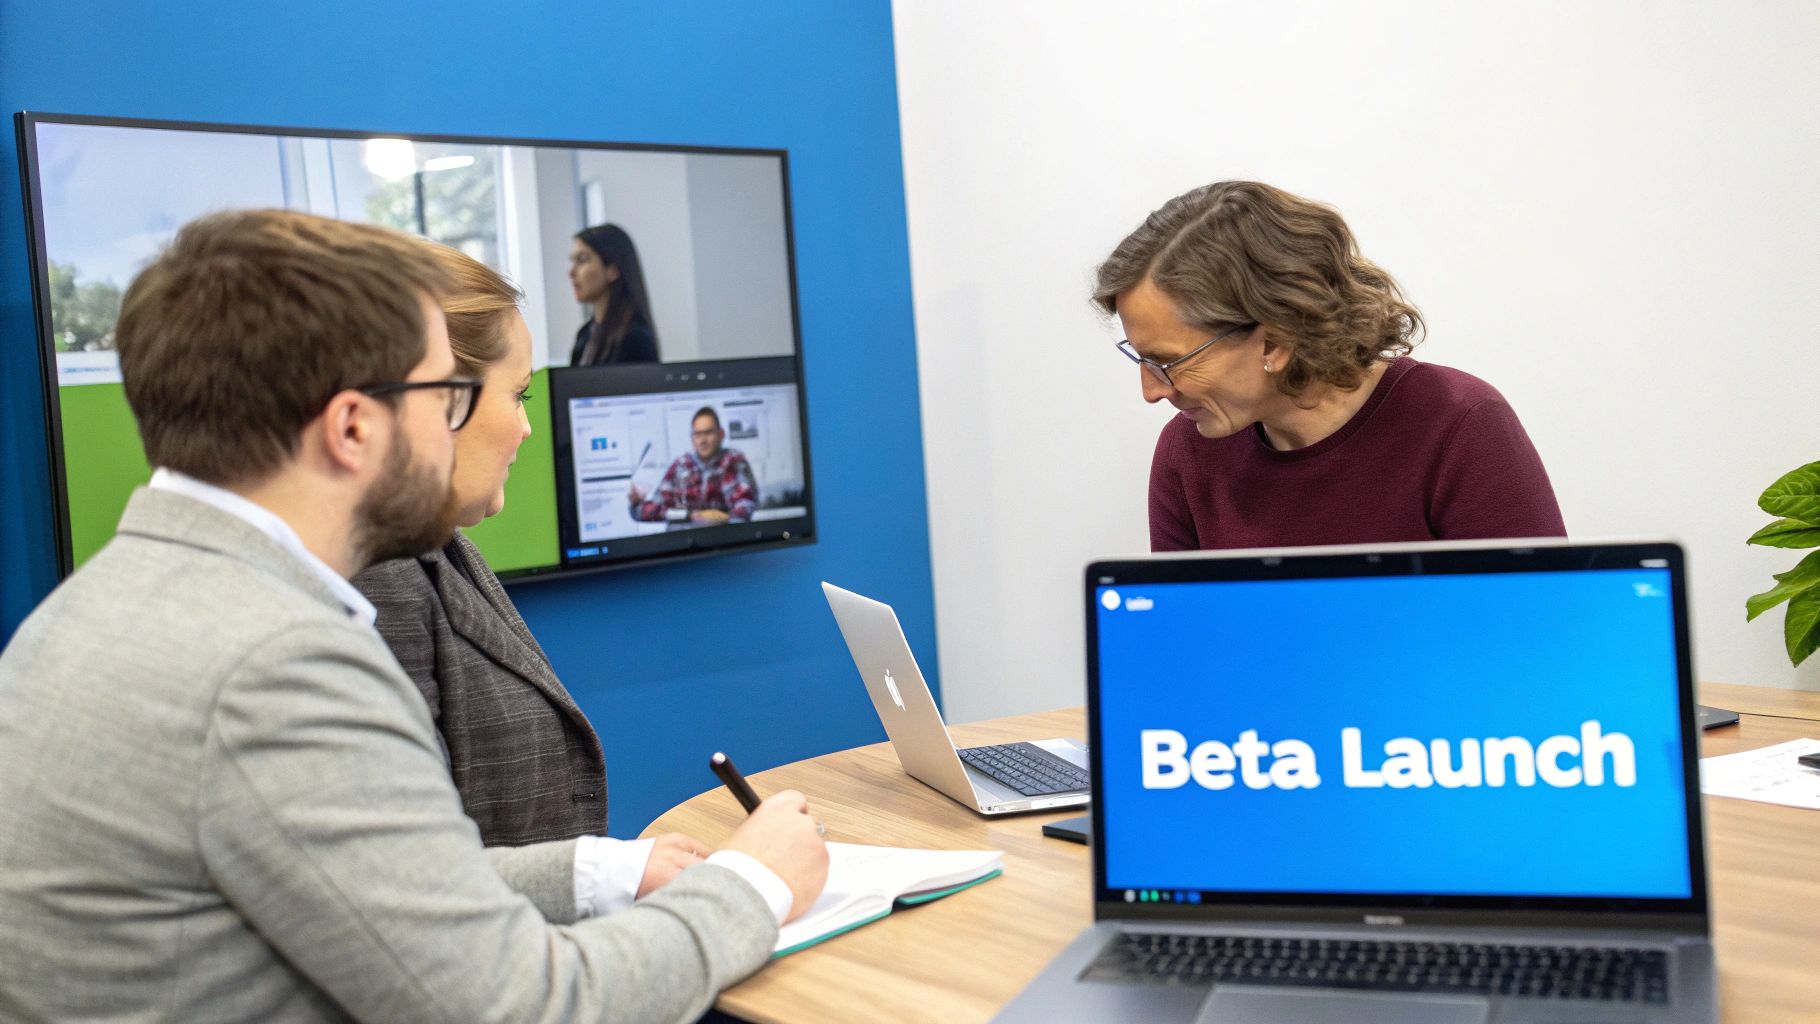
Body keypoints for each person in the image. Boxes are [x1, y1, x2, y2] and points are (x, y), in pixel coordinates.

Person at [0, 209, 827, 1023]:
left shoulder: (88, 613)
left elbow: (366, 894)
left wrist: (594, 873)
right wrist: (754, 882)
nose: (467, 427)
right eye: (447, 399)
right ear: (354, 427)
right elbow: (526, 1006)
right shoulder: (277, 666)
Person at [355, 242, 709, 904]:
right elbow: (405, 884)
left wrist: (627, 869)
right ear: (434, 399)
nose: (524, 429)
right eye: (515, 396)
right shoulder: (376, 578)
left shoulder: (441, 545)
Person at [1094, 181, 1566, 550]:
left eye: (1169, 361)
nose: (1151, 392)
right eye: (1140, 357)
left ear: (1274, 341)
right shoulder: (1189, 454)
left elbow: (1543, 637)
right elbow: (1183, 650)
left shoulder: (1460, 425)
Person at [627, 406, 759, 525]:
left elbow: (745, 507)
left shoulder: (733, 461)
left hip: (722, 541)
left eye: (708, 433)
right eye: (698, 434)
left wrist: (723, 519)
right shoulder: (681, 465)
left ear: (721, 434)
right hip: (682, 543)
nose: (702, 440)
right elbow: (645, 512)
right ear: (692, 438)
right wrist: (691, 516)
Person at [569, 223, 659, 365]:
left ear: (612, 270)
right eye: (573, 261)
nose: (571, 272)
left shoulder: (636, 338)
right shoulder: (585, 334)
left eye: (582, 260)